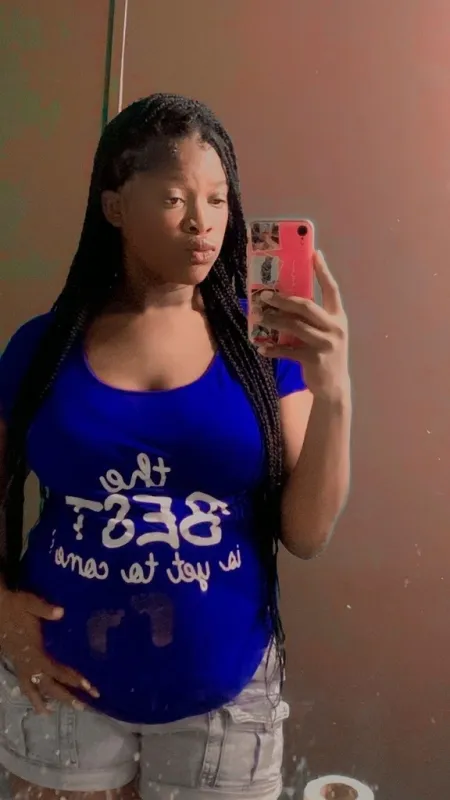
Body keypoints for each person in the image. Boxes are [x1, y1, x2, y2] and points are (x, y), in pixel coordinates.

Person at [0, 94, 351, 800]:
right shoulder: (43, 348)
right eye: (173, 198)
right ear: (114, 207)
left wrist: (335, 389)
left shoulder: (263, 348)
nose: (203, 223)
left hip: (226, 706)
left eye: (218, 199)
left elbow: (307, 535)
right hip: (60, 695)